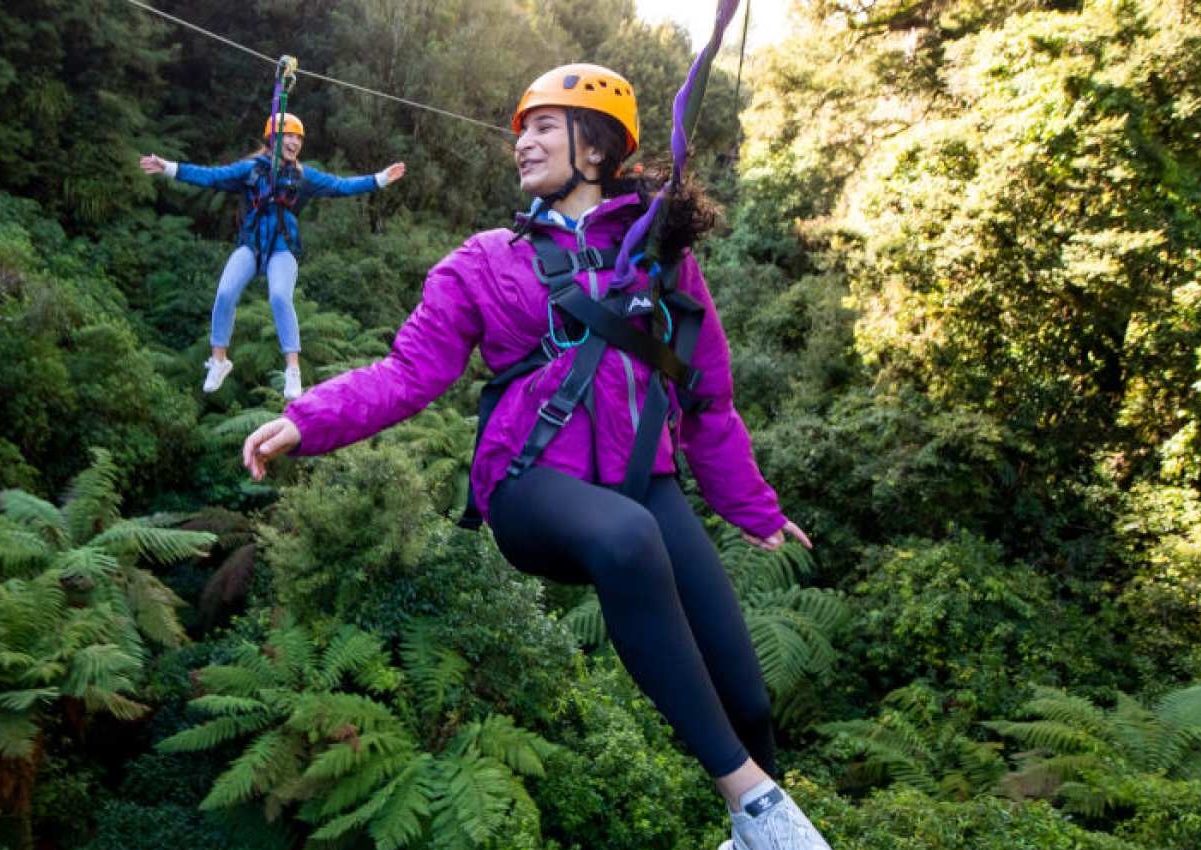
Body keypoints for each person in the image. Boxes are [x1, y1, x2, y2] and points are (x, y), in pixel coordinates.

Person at [237, 65, 832, 850]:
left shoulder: (660, 258)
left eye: (545, 127)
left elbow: (706, 397)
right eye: (522, 128)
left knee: (748, 698)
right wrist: (306, 420)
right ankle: (760, 810)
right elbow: (409, 372)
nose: (523, 142)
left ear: (595, 148)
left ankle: (745, 825)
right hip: (529, 483)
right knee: (624, 539)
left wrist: (752, 507)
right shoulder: (486, 260)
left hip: (642, 484)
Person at [139, 113, 407, 399]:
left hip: (282, 247)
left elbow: (341, 186)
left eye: (298, 137)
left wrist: (379, 179)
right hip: (252, 244)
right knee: (225, 292)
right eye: (288, 136)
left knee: (280, 296)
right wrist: (168, 167)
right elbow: (211, 176)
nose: (294, 142)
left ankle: (293, 370)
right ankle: (219, 360)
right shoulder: (251, 170)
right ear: (273, 139)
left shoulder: (304, 176)